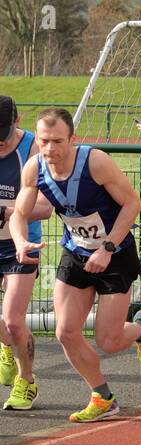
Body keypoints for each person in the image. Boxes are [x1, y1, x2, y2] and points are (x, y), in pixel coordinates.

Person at [10, 108, 141, 422]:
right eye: (44, 141)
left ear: (72, 139)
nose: (50, 148)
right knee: (66, 332)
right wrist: (21, 241)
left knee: (109, 340)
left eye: (57, 141)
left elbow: (132, 203)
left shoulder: (95, 162)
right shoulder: (34, 168)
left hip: (115, 254)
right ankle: (102, 396)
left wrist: (107, 248)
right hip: (76, 252)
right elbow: (20, 214)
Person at [0, 97, 51, 410]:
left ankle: (26, 381)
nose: (0, 143)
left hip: (20, 244)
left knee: (14, 321)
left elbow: (45, 208)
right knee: (6, 328)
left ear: (17, 122)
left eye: (3, 136)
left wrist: (9, 212)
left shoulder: (33, 150)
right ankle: (7, 346)